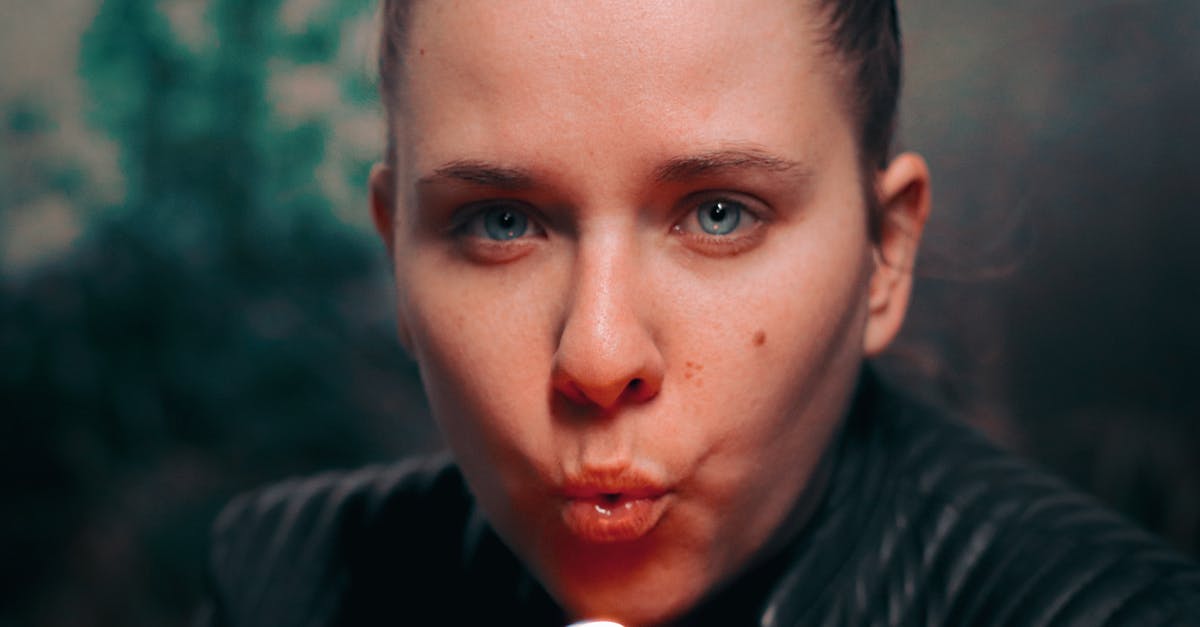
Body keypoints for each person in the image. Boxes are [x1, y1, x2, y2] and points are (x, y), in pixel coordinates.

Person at [199, 1, 1200, 625]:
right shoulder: (285, 577)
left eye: (720, 214)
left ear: (884, 253)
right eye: (500, 222)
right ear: (396, 254)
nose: (597, 358)